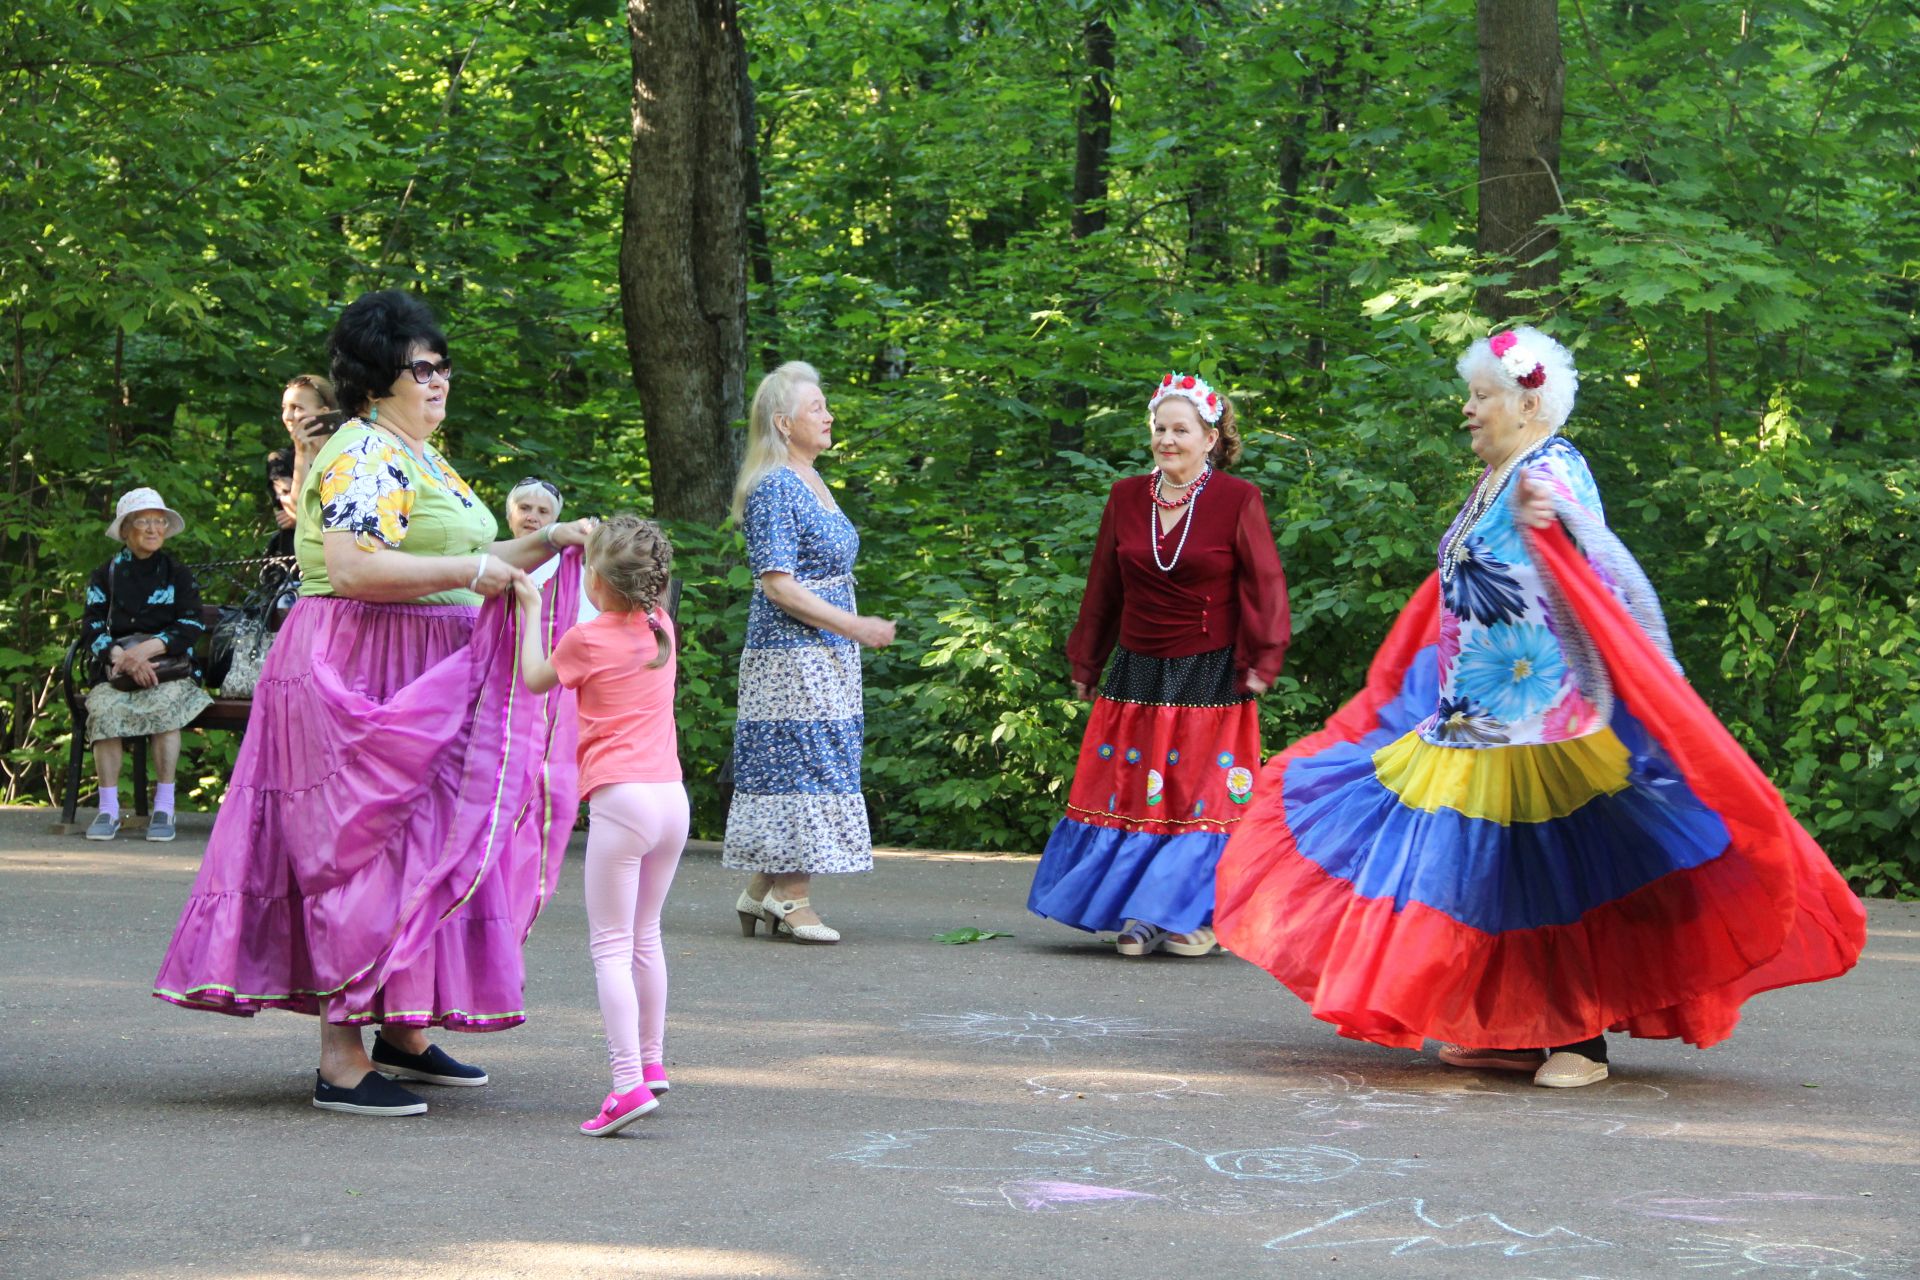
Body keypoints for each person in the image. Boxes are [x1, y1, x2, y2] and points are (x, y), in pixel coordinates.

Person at [1214, 326, 1866, 1086]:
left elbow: (1593, 555)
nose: (1468, 410)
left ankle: (1580, 1040)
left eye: (1481, 396)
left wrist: (1548, 509)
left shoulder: (1552, 468)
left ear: (1527, 403)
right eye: (1471, 395)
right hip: (1472, 716)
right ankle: (1516, 1028)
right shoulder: (1493, 477)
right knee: (1484, 878)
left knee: (1552, 876)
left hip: (1543, 721)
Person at [152, 289, 596, 1118]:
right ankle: (341, 1057)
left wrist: (546, 542)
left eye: (442, 367)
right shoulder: (364, 454)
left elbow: (467, 549)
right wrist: (471, 574)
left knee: (426, 847)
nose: (438, 383)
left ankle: (403, 1029)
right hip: (358, 666)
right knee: (361, 851)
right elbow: (356, 567)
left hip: (423, 666)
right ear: (374, 381)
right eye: (419, 369)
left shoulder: (420, 456)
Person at [1026, 372, 1290, 958]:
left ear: (1211, 437)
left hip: (1209, 673)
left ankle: (1185, 915)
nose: (1168, 440)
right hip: (1136, 672)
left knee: (1198, 797)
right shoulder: (1126, 497)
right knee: (1134, 793)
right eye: (1160, 429)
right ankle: (1140, 913)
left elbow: (1265, 583)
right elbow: (1103, 587)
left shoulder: (1236, 499)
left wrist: (1263, 657)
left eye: (1182, 430)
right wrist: (1087, 658)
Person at [515, 516, 686, 1136]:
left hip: (622, 802)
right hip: (672, 800)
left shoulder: (585, 638)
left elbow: (535, 680)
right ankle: (652, 1059)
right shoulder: (659, 626)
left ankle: (625, 1084)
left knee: (610, 946)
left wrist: (529, 610)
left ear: (595, 580)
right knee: (646, 935)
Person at [723, 361, 895, 944]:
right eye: (816, 407)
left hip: (823, 653)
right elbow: (778, 584)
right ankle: (791, 898)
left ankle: (761, 890)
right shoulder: (774, 484)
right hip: (790, 655)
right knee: (803, 765)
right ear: (782, 422)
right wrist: (855, 625)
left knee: (812, 759)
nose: (828, 415)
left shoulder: (809, 479)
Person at [79, 488, 213, 843]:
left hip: (168, 668)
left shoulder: (177, 573)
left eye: (159, 521)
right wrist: (121, 658)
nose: (154, 529)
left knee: (164, 707)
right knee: (104, 709)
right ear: (125, 530)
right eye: (144, 522)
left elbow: (192, 624)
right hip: (119, 669)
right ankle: (108, 810)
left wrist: (146, 652)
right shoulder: (105, 573)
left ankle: (164, 807)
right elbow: (91, 624)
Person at [505, 476, 598, 623]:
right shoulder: (489, 560)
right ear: (510, 517)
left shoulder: (567, 572)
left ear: (553, 522)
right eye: (524, 508)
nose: (532, 517)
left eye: (542, 511)